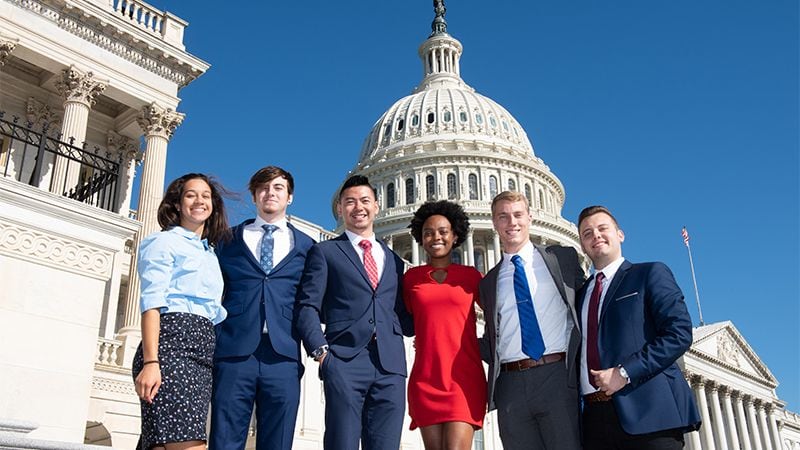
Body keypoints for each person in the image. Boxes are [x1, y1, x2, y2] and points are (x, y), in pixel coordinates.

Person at [295, 174, 414, 450]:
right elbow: (307, 305)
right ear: (340, 209)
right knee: (342, 443)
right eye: (350, 202)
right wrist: (322, 355)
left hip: (390, 367)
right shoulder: (325, 252)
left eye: (364, 201)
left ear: (376, 205)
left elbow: (402, 315)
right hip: (344, 361)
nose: (358, 207)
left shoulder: (395, 261)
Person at [576, 205, 700, 449]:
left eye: (603, 228)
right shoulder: (580, 295)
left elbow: (679, 333)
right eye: (587, 233)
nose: (596, 236)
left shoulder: (649, 273)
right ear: (581, 244)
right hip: (594, 421)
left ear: (620, 234)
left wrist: (624, 372)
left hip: (648, 413)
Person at [209, 166, 314, 450]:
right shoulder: (226, 240)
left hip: (283, 354)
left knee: (278, 443)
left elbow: (310, 301)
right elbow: (212, 293)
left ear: (289, 197)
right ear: (255, 196)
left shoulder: (307, 247)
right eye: (264, 188)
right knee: (225, 441)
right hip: (233, 353)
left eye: (278, 188)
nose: (271, 193)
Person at [478, 191, 585, 450]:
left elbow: (588, 309)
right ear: (494, 222)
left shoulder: (562, 259)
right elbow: (490, 337)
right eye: (503, 216)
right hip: (511, 384)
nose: (511, 222)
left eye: (517, 215)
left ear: (530, 217)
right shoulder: (489, 282)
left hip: (557, 376)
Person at [132, 173, 231, 450]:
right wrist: (152, 362)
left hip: (202, 352)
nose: (199, 200)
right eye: (191, 194)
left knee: (161, 445)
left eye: (205, 195)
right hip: (171, 348)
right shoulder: (163, 242)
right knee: (188, 445)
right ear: (176, 204)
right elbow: (151, 303)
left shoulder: (209, 252)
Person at [404, 200, 486, 450]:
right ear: (420, 238)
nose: (435, 237)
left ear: (455, 235)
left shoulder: (471, 276)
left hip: (463, 377)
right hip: (426, 377)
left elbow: (499, 317)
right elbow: (407, 321)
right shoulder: (410, 279)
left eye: (442, 231)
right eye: (428, 232)